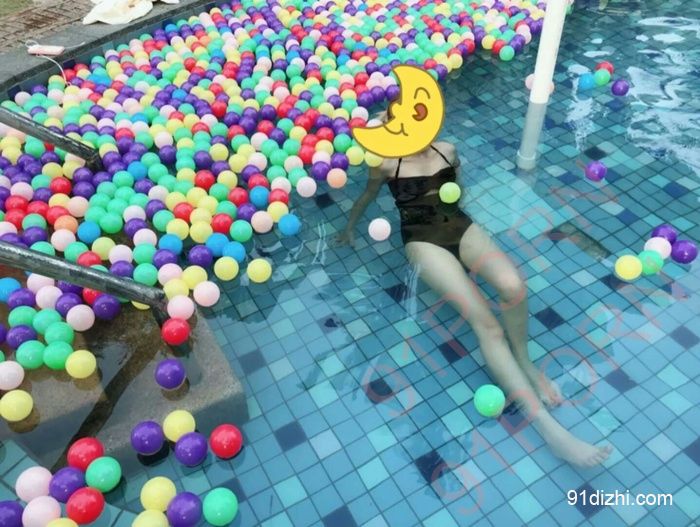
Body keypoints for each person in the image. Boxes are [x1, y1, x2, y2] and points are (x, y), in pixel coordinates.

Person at [338, 114, 611, 467]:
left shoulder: (448, 150)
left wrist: (470, 245)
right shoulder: (387, 162)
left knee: (514, 287)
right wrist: (350, 226)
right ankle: (550, 430)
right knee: (487, 325)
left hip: (459, 226)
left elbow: (457, 192)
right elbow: (369, 194)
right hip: (422, 239)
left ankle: (525, 362)